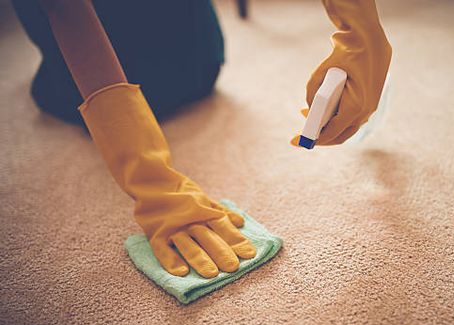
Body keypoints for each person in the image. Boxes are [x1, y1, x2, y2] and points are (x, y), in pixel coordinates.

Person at [15, 0, 392, 277]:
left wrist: (358, 29)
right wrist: (148, 175)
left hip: (191, 45)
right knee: (74, 89)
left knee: (193, 69)